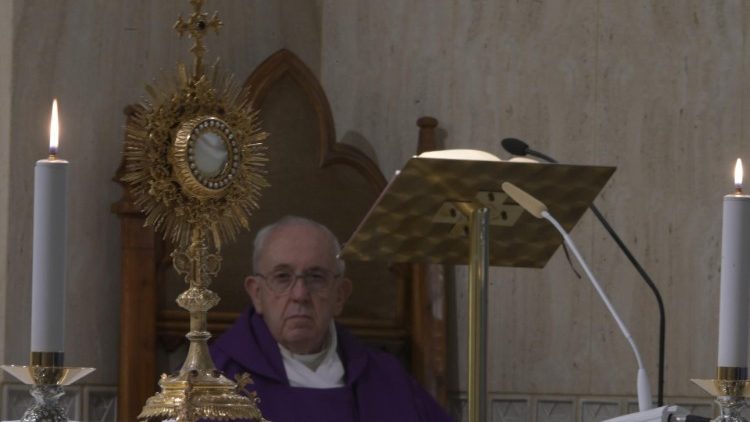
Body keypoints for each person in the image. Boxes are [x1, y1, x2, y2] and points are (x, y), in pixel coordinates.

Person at [210, 216, 453, 422]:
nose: (300, 295)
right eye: (283, 277)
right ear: (257, 293)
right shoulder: (211, 381)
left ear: (340, 295)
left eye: (316, 277)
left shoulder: (385, 377)